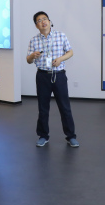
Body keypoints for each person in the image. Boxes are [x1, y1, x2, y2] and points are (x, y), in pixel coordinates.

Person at [26, 11, 79, 148]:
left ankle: (71, 136)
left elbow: (70, 52)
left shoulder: (60, 36)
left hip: (59, 75)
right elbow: (28, 60)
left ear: (49, 21)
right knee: (43, 108)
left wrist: (60, 59)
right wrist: (32, 56)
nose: (43, 22)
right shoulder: (34, 40)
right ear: (36, 25)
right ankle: (43, 136)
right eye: (39, 20)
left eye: (45, 19)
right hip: (42, 76)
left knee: (65, 107)